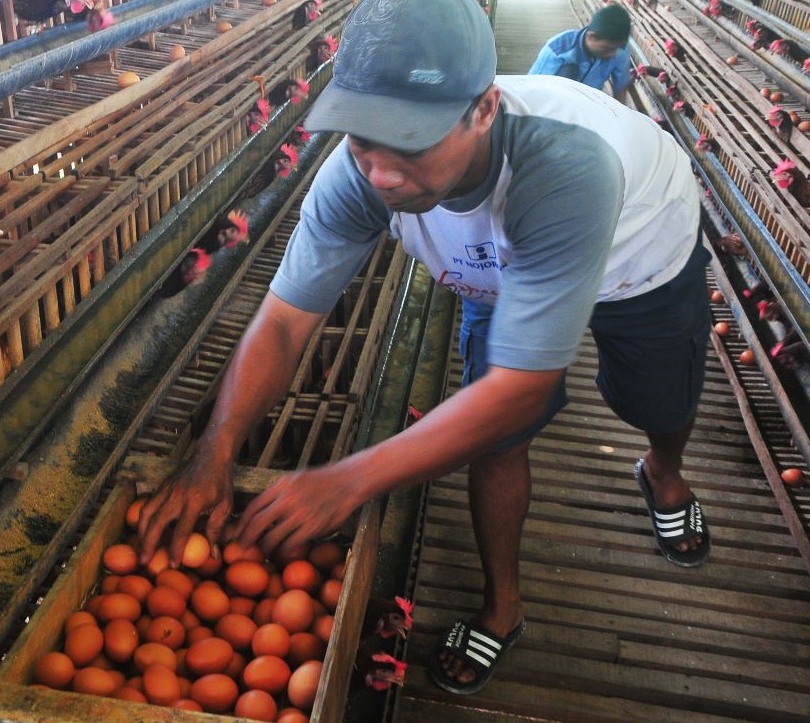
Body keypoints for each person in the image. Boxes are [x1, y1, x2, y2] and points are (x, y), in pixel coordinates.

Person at [137, 0, 712, 697]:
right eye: (361, 141)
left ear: (484, 111)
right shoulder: (359, 177)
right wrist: (217, 446)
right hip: (494, 272)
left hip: (637, 258)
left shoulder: (565, 167)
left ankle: (665, 471)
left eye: (408, 142)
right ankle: (504, 606)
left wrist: (348, 478)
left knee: (656, 398)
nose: (380, 172)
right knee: (496, 437)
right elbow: (287, 320)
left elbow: (524, 384)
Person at [529, 3, 633, 103]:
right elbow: (533, 89)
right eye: (608, 48)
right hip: (554, 100)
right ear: (591, 37)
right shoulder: (557, 50)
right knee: (569, 70)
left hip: (589, 99)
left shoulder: (620, 49)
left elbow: (621, 87)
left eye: (617, 48)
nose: (613, 54)